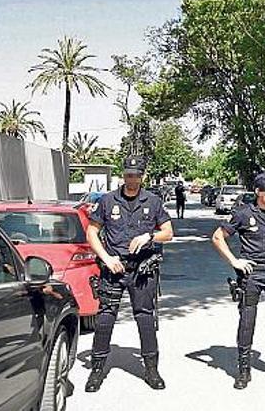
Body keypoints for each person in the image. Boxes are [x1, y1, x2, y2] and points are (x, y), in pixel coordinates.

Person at [84, 156, 174, 392]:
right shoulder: (107, 201)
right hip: (114, 268)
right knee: (105, 317)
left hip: (142, 269)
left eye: (136, 174)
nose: (131, 178)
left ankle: (151, 369)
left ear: (142, 176)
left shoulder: (152, 201)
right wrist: (106, 258)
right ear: (123, 175)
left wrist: (149, 236)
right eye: (128, 174)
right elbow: (91, 232)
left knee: (145, 317)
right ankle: (96, 369)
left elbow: (168, 232)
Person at [211, 173, 265, 389]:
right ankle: (243, 370)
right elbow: (217, 237)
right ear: (258, 192)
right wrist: (235, 262)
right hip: (251, 275)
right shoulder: (243, 214)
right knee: (247, 322)